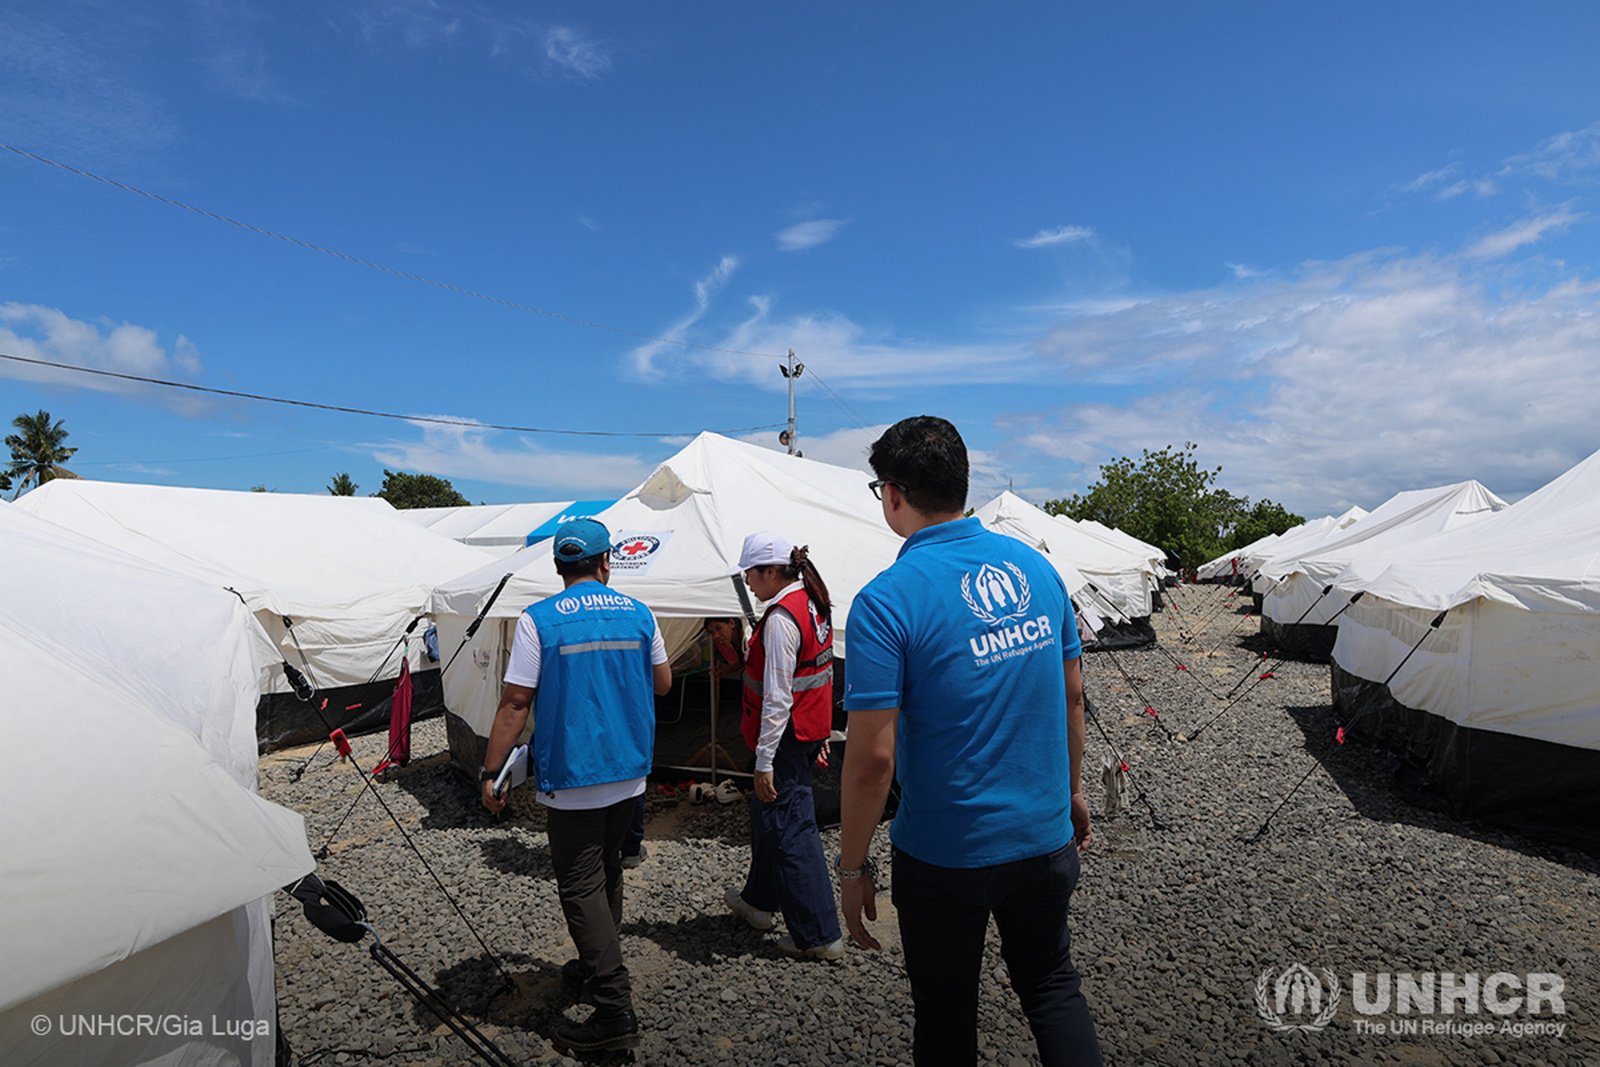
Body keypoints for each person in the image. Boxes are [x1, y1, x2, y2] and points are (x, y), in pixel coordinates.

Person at [838, 416, 1102, 1066]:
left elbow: (873, 757)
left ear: (893, 493)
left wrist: (851, 865)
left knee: (947, 1016)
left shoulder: (884, 600)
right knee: (1051, 987)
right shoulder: (1039, 572)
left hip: (944, 854)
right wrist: (1070, 789)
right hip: (1043, 837)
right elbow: (1072, 696)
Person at [481, 517, 672, 1053]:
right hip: (630, 771)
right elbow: (662, 684)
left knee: (581, 885)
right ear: (606, 561)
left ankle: (614, 1009)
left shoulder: (538, 620)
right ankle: (596, 966)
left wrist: (490, 773)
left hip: (574, 777)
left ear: (559, 566)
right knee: (607, 871)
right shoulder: (639, 613)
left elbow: (516, 703)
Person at [723, 531, 845, 961]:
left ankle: (819, 934)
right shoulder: (813, 603)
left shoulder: (780, 619)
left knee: (792, 829)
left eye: (752, 575)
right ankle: (759, 902)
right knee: (767, 817)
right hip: (804, 733)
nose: (749, 584)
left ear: (772, 572)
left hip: (783, 737)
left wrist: (763, 761)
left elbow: (778, 695)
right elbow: (820, 675)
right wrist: (820, 735)